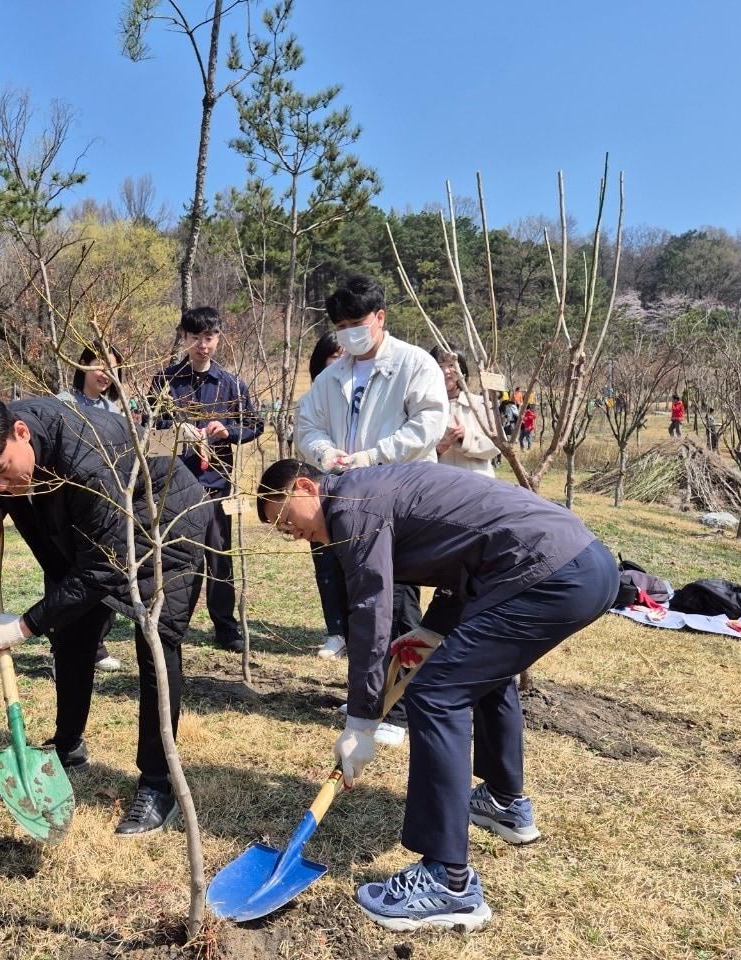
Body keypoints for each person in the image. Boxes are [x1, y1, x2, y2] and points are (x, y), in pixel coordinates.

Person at [256, 457, 617, 933]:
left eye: (288, 520)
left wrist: (362, 722)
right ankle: (505, 803)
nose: (294, 535)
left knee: (434, 695)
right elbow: (464, 556)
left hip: (548, 575)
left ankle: (448, 882)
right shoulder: (371, 490)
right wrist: (430, 631)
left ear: (305, 487)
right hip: (578, 565)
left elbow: (372, 609)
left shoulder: (351, 508)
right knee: (482, 673)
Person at [0, 394, 208, 836]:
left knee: (155, 647)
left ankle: (159, 783)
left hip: (163, 525)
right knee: (69, 635)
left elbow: (102, 569)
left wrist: (23, 626)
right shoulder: (3, 434)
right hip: (87, 529)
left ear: (21, 433)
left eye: (2, 473)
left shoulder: (87, 458)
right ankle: (68, 745)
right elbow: (6, 479)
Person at [294, 275, 448, 747]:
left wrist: (373, 457)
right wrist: (327, 456)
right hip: (346, 502)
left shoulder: (414, 363)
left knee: (396, 604)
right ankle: (369, 696)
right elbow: (307, 422)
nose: (348, 334)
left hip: (402, 500)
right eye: (340, 326)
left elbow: (428, 423)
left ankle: (399, 709)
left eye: (356, 324)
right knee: (358, 603)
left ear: (380, 318)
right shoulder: (333, 376)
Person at [151, 307, 263, 654]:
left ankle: (225, 627)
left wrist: (228, 431)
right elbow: (151, 431)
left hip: (217, 484)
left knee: (218, 555)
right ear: (183, 338)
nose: (203, 345)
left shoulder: (231, 384)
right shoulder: (164, 382)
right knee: (178, 556)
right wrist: (175, 431)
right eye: (195, 337)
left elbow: (255, 425)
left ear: (218, 338)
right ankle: (173, 622)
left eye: (209, 337)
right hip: (176, 484)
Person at [56, 342, 131, 673]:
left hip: (106, 506)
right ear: (82, 364)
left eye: (113, 369)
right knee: (66, 580)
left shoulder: (115, 411)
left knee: (106, 575)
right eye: (100, 365)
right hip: (69, 505)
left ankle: (96, 647)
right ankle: (64, 653)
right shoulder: (63, 405)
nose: (106, 374)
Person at [305, 331, 349, 658]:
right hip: (321, 489)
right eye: (333, 356)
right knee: (326, 563)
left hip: (361, 487)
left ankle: (358, 628)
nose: (339, 362)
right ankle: (336, 631)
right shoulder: (311, 400)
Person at [429, 345, 497, 476]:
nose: (446, 371)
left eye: (451, 365)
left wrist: (466, 437)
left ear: (462, 369)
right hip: (441, 487)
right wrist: (436, 450)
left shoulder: (481, 404)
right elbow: (413, 454)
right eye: (439, 366)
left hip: (478, 486)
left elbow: (495, 447)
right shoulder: (427, 407)